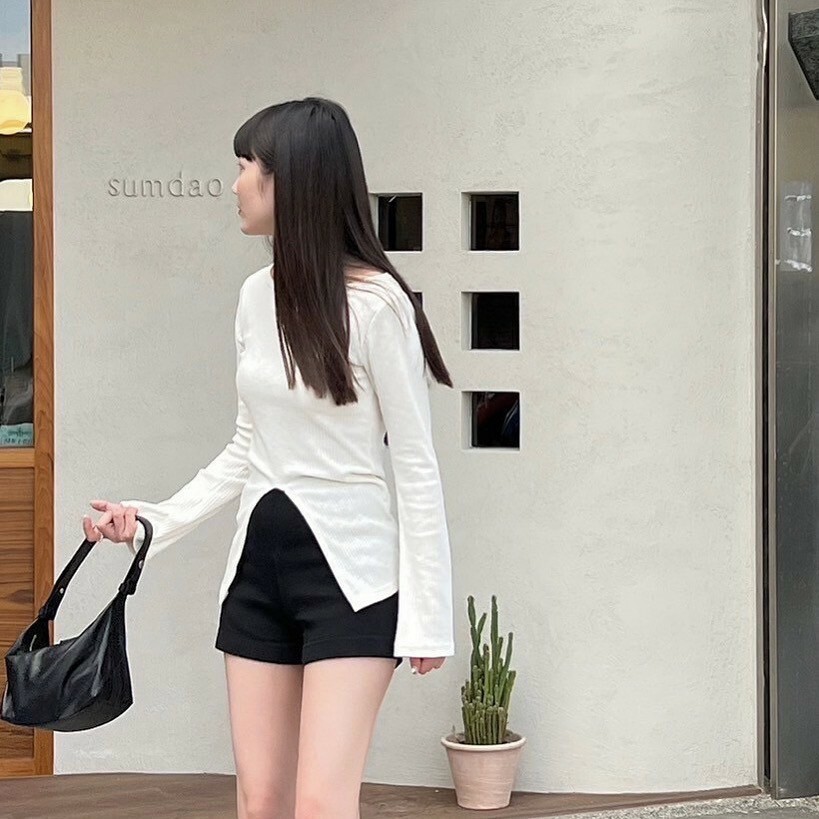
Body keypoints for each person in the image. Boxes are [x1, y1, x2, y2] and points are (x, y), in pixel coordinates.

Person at [82, 97, 455, 819]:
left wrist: (428, 614)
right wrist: (151, 520)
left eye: (246, 166)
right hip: (256, 578)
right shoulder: (256, 297)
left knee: (319, 805)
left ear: (294, 178)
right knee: (260, 803)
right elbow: (246, 447)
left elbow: (415, 464)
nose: (234, 184)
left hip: (353, 582)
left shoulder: (379, 305)